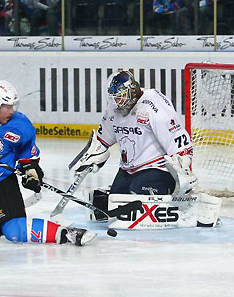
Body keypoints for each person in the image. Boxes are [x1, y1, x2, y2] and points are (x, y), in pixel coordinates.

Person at [0, 80, 96, 246]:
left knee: (14, 231)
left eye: (13, 106)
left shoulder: (20, 125)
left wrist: (31, 172)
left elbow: (28, 157)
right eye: (7, 106)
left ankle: (67, 234)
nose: (11, 111)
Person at [70, 70, 198, 222]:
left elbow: (177, 139)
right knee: (113, 203)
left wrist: (183, 171)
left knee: (133, 201)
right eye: (114, 97)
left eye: (120, 97)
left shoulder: (152, 103)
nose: (117, 102)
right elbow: (104, 138)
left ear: (132, 91)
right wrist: (91, 156)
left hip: (156, 169)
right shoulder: (115, 107)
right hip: (127, 170)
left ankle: (165, 194)